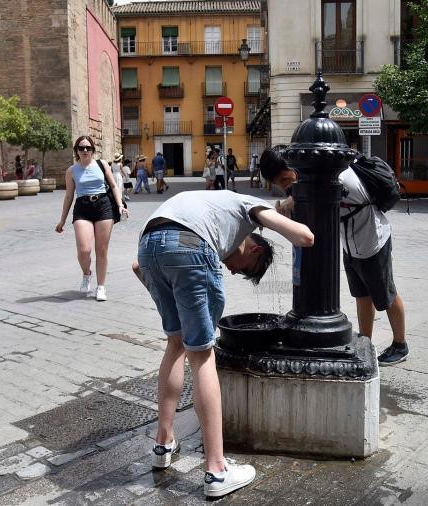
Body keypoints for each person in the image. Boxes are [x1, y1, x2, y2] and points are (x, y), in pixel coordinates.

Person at [132, 190, 314, 498]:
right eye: (243, 269)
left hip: (148, 246)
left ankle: (163, 444)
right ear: (254, 249)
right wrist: (307, 229)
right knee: (202, 357)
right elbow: (304, 237)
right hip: (189, 245)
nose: (231, 270)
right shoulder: (246, 206)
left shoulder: (213, 207)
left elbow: (138, 268)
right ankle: (216, 471)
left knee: (175, 343)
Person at [260, 148, 409, 365]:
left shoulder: (336, 175)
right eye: (279, 184)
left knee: (385, 295)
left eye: (284, 179)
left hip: (372, 240)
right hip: (350, 243)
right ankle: (365, 342)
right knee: (362, 294)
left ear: (295, 166)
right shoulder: (310, 180)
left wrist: (291, 202)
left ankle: (400, 344)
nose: (284, 187)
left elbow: (322, 192)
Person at [55, 136, 128, 301]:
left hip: (103, 205)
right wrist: (62, 220)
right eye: (81, 148)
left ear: (93, 150)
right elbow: (68, 196)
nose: (85, 150)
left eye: (88, 148)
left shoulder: (102, 164)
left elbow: (115, 186)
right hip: (82, 207)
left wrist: (120, 205)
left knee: (101, 250)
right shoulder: (71, 171)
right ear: (76, 151)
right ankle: (87, 274)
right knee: (84, 250)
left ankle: (101, 287)